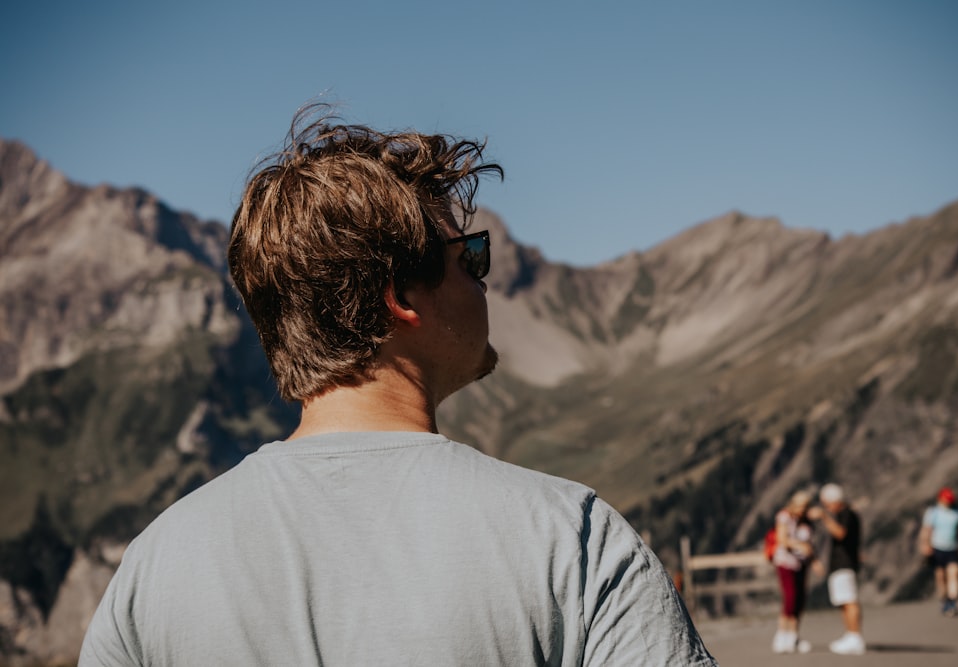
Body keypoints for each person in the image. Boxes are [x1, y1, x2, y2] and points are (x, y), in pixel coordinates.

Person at [79, 105, 717, 666]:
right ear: (404, 296)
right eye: (469, 258)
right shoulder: (569, 538)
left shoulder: (153, 567)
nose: (484, 281)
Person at [811, 483, 865, 655]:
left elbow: (840, 533)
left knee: (849, 600)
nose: (826, 507)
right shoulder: (845, 514)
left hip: (845, 563)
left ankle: (855, 636)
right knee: (844, 601)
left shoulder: (846, 514)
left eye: (826, 503)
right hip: (840, 564)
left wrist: (825, 517)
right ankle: (850, 634)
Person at [771, 490, 818, 654]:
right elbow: (782, 540)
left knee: (800, 599)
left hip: (802, 563)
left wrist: (814, 560)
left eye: (805, 507)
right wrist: (800, 546)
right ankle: (781, 635)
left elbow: (811, 544)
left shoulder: (807, 522)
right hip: (786, 562)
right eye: (800, 506)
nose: (802, 510)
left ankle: (793, 636)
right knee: (790, 597)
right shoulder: (784, 517)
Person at [919, 487, 958, 616]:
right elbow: (927, 530)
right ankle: (944, 598)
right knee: (941, 578)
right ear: (940, 499)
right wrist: (925, 544)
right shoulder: (933, 512)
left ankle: (952, 602)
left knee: (954, 573)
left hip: (953, 548)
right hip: (938, 549)